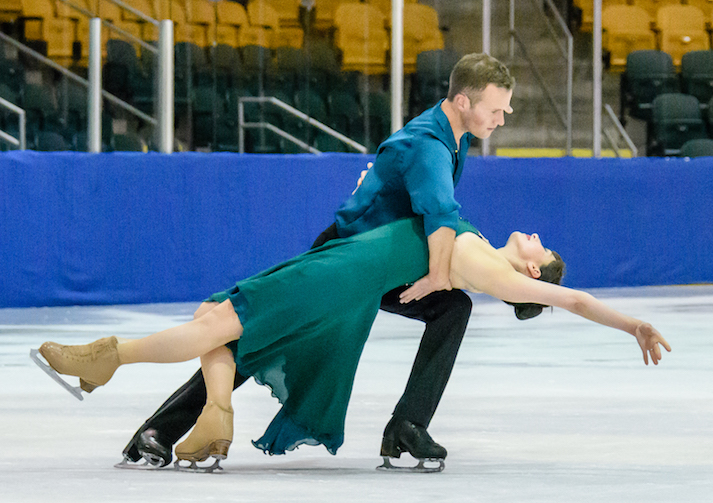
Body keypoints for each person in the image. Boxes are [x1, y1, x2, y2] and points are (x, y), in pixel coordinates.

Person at [118, 53, 517, 469]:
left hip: (381, 265)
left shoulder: (457, 135)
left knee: (453, 309)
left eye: (505, 110)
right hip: (344, 260)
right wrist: (438, 275)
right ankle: (159, 429)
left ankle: (408, 425)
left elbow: (429, 206)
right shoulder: (431, 145)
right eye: (495, 110)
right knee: (262, 332)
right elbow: (439, 213)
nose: (501, 120)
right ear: (463, 102)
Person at [37, 216, 670, 472]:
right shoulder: (476, 252)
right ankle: (198, 407)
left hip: (343, 278)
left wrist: (633, 324)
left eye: (544, 248)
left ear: (532, 274)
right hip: (352, 266)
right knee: (222, 323)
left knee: (219, 323)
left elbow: (578, 300)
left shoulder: (498, 273)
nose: (536, 235)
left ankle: (112, 362)